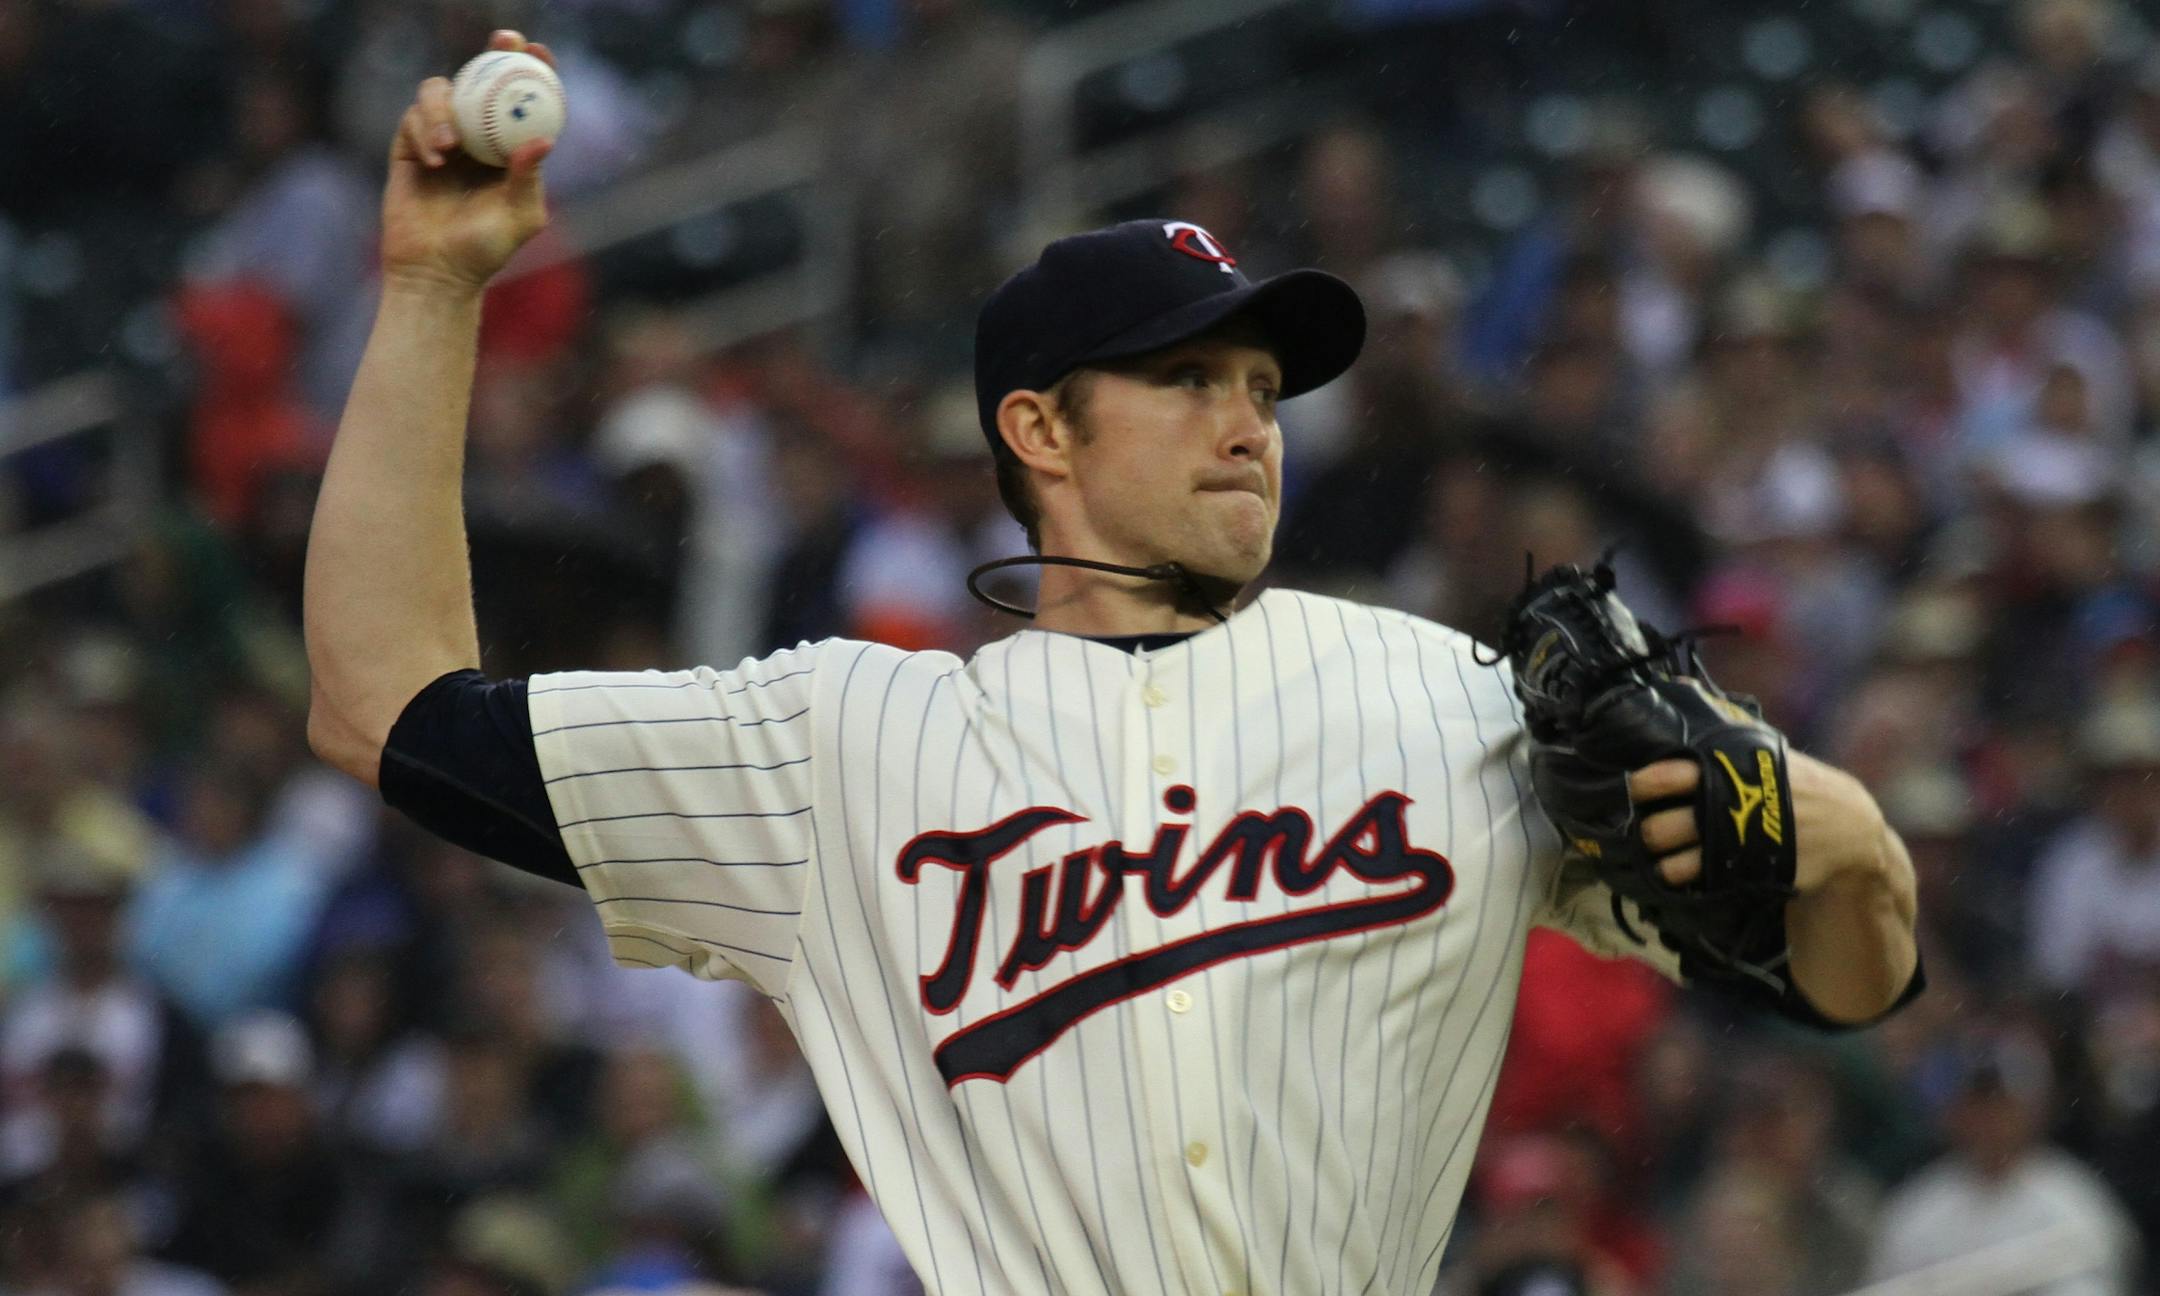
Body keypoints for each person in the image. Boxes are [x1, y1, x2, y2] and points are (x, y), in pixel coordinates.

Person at [302, 32, 1923, 1295]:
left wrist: (1827, 824)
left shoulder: (1448, 696)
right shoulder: (843, 740)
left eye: (1266, 386)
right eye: (1189, 377)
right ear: (1038, 428)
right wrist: (436, 288)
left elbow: (1853, 974)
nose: (1247, 420)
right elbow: (387, 702)